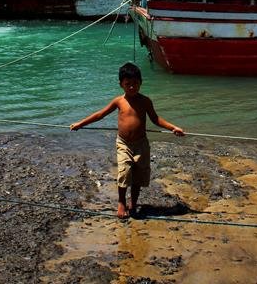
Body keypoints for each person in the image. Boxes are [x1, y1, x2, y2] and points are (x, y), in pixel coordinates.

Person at [70, 62, 184, 219]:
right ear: (121, 84)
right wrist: (80, 124)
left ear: (140, 83)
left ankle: (133, 203)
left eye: (135, 83)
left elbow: (156, 119)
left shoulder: (145, 101)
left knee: (138, 176)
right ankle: (121, 202)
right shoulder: (119, 101)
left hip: (141, 144)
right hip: (123, 143)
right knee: (124, 173)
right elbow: (100, 115)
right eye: (128, 84)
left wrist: (173, 128)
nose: (132, 87)